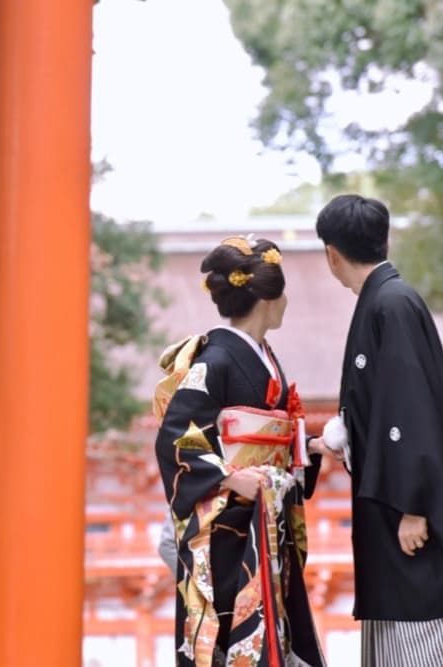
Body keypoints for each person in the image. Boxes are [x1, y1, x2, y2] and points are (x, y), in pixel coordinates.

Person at [312, 194, 443, 666]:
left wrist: (415, 506)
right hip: (395, 511)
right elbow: (382, 411)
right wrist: (339, 440)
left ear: (332, 254)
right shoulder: (384, 300)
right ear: (385, 240)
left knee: (442, 639)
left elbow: (411, 410)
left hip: (416, 515)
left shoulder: (391, 304)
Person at [154, 236, 335, 667]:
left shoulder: (264, 356)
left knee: (276, 630)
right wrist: (226, 477)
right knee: (233, 636)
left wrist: (308, 447)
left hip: (264, 521)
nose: (288, 301)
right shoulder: (214, 360)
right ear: (267, 299)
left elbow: (270, 439)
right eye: (283, 292)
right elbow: (176, 434)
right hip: (229, 526)